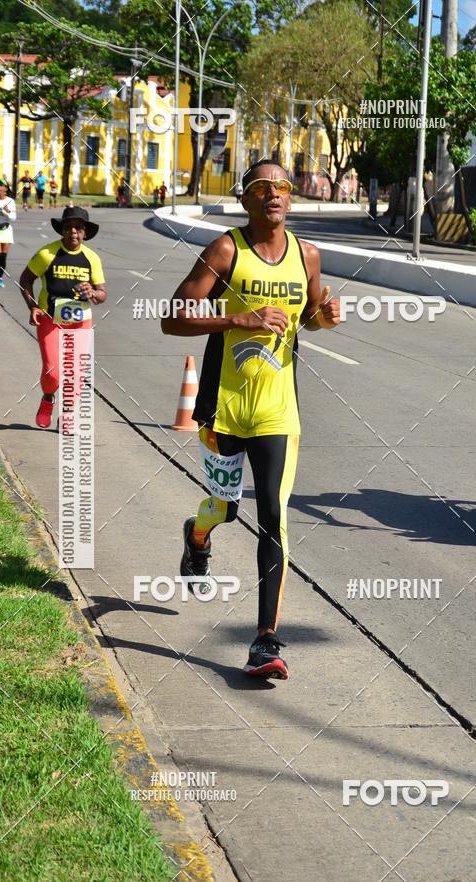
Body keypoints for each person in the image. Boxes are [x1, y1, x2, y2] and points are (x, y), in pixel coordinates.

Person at [162, 160, 340, 680]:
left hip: (278, 412)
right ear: (246, 199)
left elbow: (307, 315)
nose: (274, 195)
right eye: (262, 188)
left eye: (282, 187)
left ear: (291, 196)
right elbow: (173, 318)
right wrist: (236, 319)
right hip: (223, 407)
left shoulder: (307, 255)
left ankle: (265, 640)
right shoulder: (225, 251)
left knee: (274, 519)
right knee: (224, 509)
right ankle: (197, 535)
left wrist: (322, 319)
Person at [18, 207, 107, 430]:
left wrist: (93, 294)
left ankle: (67, 416)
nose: (73, 232)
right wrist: (33, 306)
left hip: (81, 321)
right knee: (52, 372)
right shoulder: (47, 254)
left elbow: (102, 294)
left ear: (85, 232)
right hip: (50, 318)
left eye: (78, 228)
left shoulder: (91, 258)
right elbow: (25, 279)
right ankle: (48, 398)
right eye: (68, 227)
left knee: (76, 371)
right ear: (62, 231)